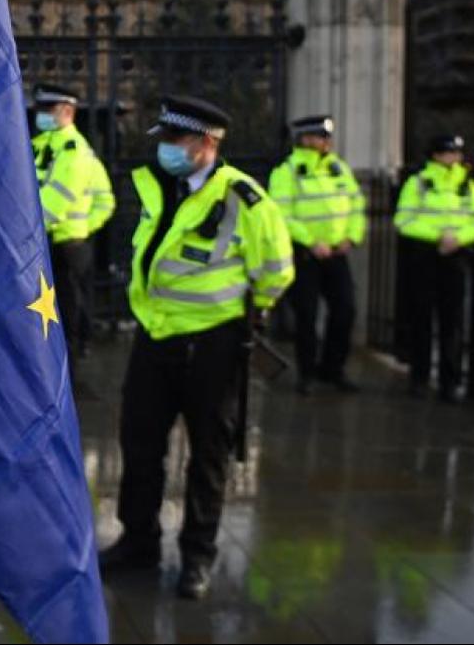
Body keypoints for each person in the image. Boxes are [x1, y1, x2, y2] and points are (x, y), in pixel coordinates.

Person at [99, 96, 294, 600]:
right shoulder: (160, 187)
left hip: (215, 344)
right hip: (155, 336)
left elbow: (275, 269)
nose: (165, 149)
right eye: (163, 139)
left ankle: (197, 557)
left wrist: (254, 311)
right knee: (139, 445)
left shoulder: (243, 198)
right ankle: (138, 541)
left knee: (208, 454)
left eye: (175, 140)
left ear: (208, 143)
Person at [268, 116, 365, 395]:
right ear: (306, 139)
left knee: (345, 310)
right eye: (321, 137)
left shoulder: (339, 168)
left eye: (327, 137)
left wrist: (351, 236)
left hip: (337, 252)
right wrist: (311, 242)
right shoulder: (287, 172)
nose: (326, 142)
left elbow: (356, 203)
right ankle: (307, 373)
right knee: (306, 316)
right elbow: (281, 213)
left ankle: (333, 369)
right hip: (306, 255)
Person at [394, 135, 474, 403]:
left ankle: (450, 381)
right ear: (436, 156)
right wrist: (438, 236)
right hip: (426, 256)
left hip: (455, 257)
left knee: (453, 322)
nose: (454, 158)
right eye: (449, 153)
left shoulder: (466, 184)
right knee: (421, 319)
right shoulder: (419, 183)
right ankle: (419, 377)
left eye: (457, 153)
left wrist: (459, 239)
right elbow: (404, 219)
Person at [29, 84, 115, 371]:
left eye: (48, 110)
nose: (41, 115)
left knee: (65, 311)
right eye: (40, 109)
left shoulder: (74, 152)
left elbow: (55, 203)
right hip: (50, 241)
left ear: (68, 111)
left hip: (65, 244)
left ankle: (69, 365)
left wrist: (82, 229)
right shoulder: (41, 144)